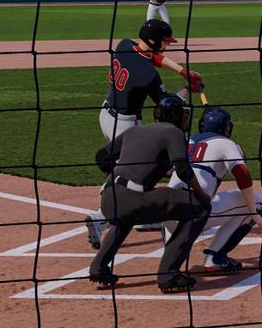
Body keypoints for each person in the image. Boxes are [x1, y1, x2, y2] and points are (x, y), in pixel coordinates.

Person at [88, 18, 205, 245]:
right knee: (138, 174)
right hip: (124, 124)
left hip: (106, 114)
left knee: (130, 172)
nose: (166, 46)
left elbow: (152, 56)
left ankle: (139, 217)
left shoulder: (124, 46)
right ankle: (99, 218)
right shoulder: (148, 76)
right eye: (164, 41)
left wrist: (183, 71)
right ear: (154, 40)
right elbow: (166, 108)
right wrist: (187, 88)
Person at [86, 95, 210, 293]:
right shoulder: (173, 131)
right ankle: (168, 273)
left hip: (109, 198)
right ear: (177, 116)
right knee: (200, 208)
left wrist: (115, 179)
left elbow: (101, 156)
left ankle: (98, 267)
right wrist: (201, 194)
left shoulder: (135, 130)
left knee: (126, 217)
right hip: (133, 200)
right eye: (184, 115)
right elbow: (183, 169)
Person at [185, 106, 260, 273]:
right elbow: (243, 175)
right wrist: (254, 212)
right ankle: (215, 258)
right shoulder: (227, 143)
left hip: (168, 218)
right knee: (259, 202)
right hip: (195, 215)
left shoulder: (186, 141)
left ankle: (172, 259)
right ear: (227, 127)